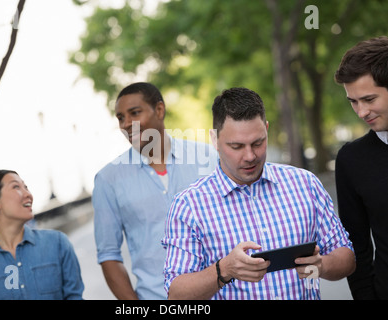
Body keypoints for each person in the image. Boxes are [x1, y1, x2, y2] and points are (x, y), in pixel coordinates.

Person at [162, 87, 355, 300]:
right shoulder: (189, 205)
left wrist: (323, 265)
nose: (250, 156)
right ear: (215, 140)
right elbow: (176, 295)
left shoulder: (305, 184)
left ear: (267, 130)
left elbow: (347, 257)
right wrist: (224, 270)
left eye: (258, 143)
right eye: (236, 146)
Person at [93, 82, 217, 299]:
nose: (127, 123)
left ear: (159, 110)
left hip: (220, 293)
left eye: (135, 113)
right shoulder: (108, 179)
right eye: (121, 117)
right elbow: (109, 255)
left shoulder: (208, 158)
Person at [0, 170, 84, 300]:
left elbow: (74, 296)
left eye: (26, 187)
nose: (28, 194)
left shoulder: (58, 243)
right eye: (16, 187)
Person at [334, 36, 388, 300]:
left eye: (368, 99)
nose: (361, 111)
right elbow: (357, 245)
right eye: (353, 101)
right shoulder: (351, 160)